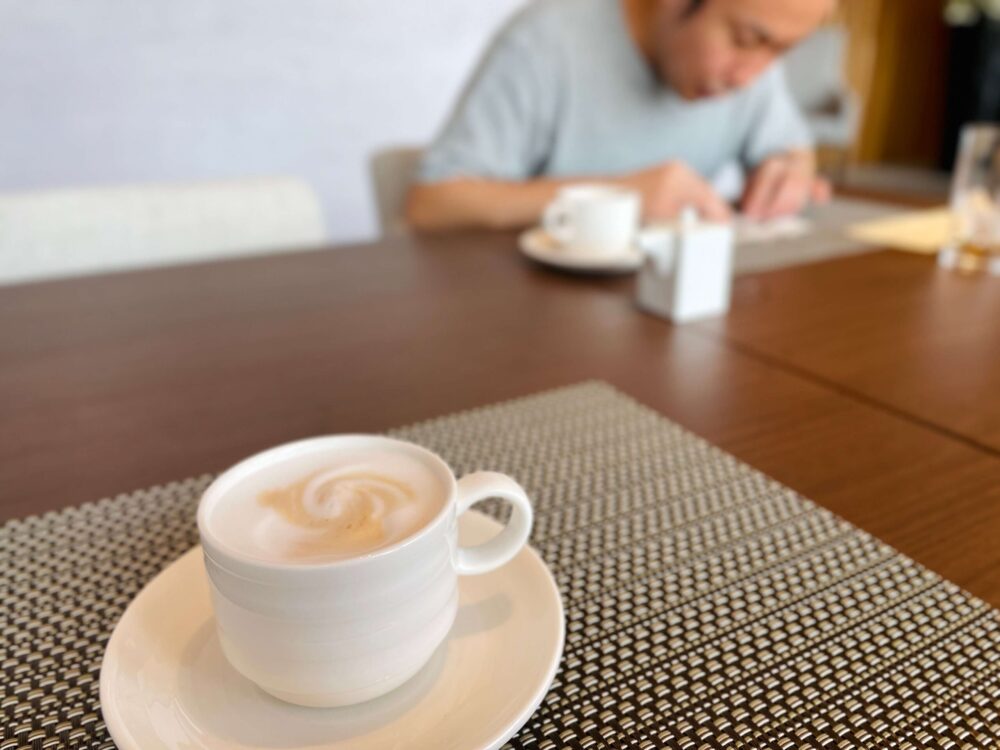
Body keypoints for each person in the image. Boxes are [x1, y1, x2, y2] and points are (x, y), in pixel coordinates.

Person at [406, 0, 835, 232]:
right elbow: (431, 204)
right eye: (744, 39)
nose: (750, 77)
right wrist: (618, 197)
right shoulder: (547, 41)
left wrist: (791, 167)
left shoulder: (756, 68)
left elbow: (790, 148)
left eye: (782, 52)